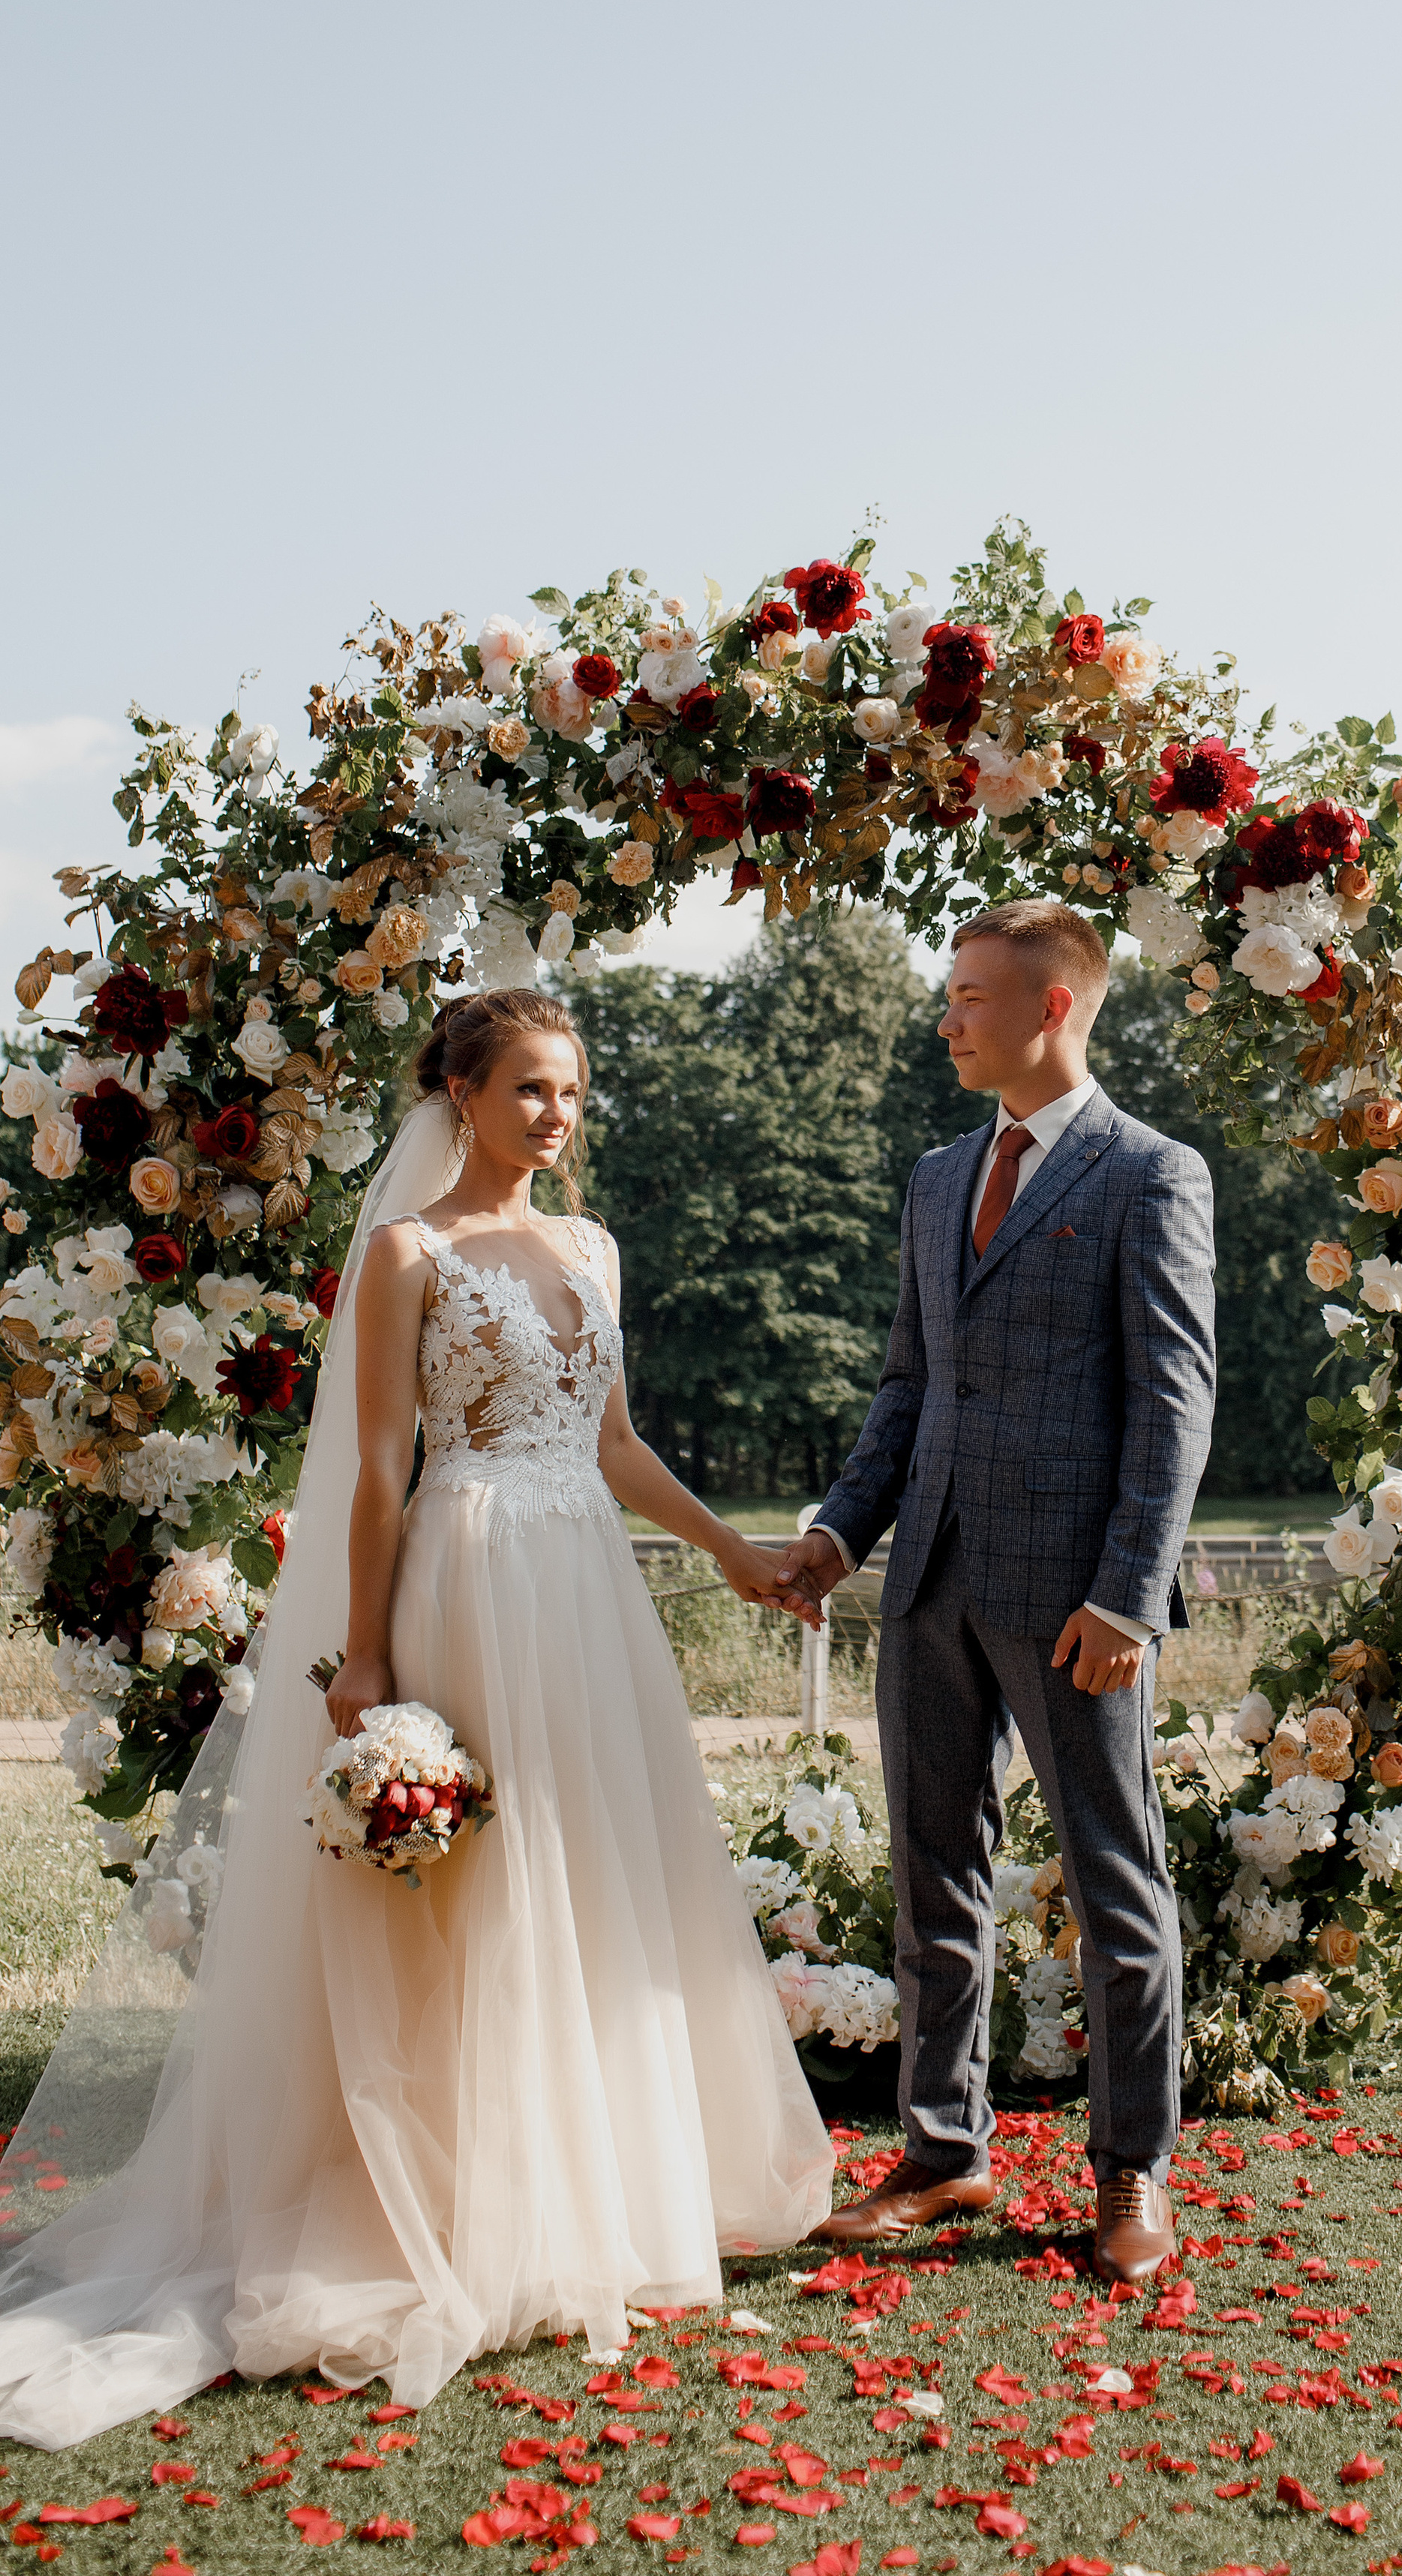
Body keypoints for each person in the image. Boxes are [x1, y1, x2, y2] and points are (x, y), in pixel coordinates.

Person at [0, 987, 833, 2449]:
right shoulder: (407, 1252)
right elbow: (378, 1470)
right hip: (467, 1583)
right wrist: (365, 1664)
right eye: (527, 1089)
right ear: (457, 1096)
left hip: (583, 1589)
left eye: (569, 1091)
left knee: (593, 1882)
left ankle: (599, 2189)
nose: (554, 1114)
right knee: (472, 1896)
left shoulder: (590, 1247)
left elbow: (618, 1442)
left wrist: (731, 1552)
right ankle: (451, 2198)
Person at [777, 900, 1216, 2286]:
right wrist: (842, 1535)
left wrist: (1131, 1596)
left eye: (973, 996)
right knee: (931, 1884)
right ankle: (942, 2152)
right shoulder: (934, 1176)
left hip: (1079, 1602)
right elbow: (908, 1386)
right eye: (951, 992)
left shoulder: (1153, 1174)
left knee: (1115, 1879)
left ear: (1055, 1009)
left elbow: (1172, 1404)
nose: (950, 1016)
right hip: (932, 1588)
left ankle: (1133, 2169)